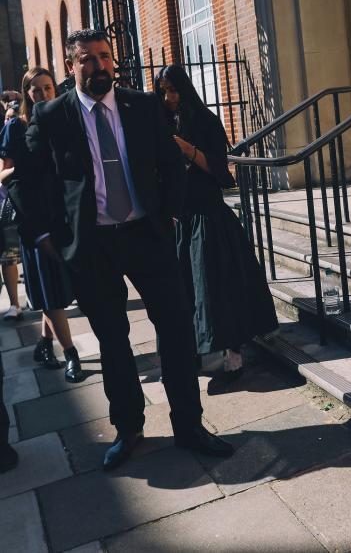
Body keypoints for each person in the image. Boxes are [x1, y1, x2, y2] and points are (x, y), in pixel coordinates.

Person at [7, 29, 234, 470]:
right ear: (71, 66)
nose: (99, 66)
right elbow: (23, 182)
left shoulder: (142, 105)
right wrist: (44, 238)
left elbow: (172, 165)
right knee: (113, 342)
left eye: (104, 56)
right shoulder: (53, 117)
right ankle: (128, 429)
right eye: (87, 59)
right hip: (93, 245)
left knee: (176, 331)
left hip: (146, 235)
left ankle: (189, 425)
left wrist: (169, 215)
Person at [155, 64, 278, 393]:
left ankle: (233, 352)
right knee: (182, 291)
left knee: (218, 287)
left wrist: (187, 150)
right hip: (177, 218)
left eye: (173, 90)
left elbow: (222, 173)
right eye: (163, 91)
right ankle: (191, 351)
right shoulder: (159, 122)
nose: (168, 97)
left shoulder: (206, 121)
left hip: (208, 215)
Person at [0, 68, 82, 381]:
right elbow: (3, 174)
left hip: (60, 215)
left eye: (48, 88)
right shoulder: (16, 128)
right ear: (26, 93)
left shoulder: (59, 122)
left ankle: (46, 343)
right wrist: (22, 170)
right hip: (33, 218)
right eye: (35, 90)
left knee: (56, 288)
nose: (43, 94)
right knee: (49, 290)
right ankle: (71, 353)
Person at [0, 98, 22, 322]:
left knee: (9, 258)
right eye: (6, 118)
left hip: (6, 207)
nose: (9, 122)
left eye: (12, 118)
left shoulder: (8, 140)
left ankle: (15, 303)